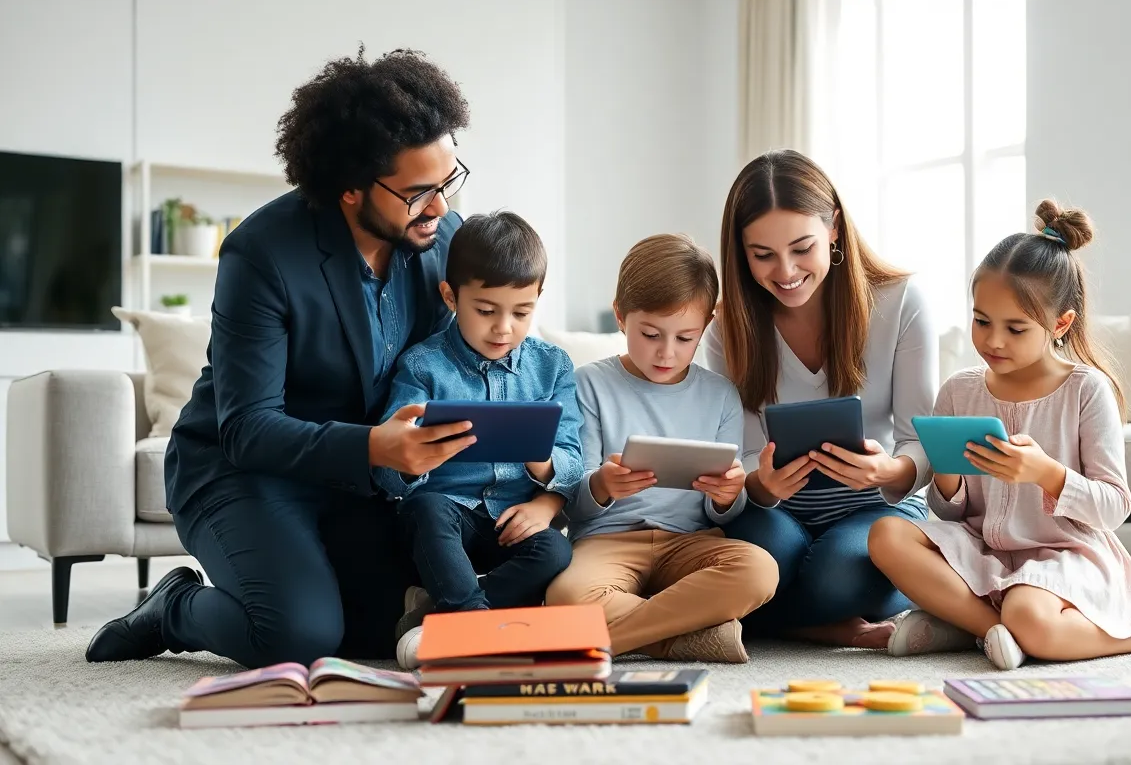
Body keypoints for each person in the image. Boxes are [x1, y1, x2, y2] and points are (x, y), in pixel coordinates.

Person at [86, 48, 476, 668]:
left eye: (449, 181)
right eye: (419, 192)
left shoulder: (443, 242)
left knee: (384, 633)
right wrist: (375, 446)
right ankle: (175, 607)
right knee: (296, 637)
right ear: (350, 189)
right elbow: (245, 428)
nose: (441, 208)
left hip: (357, 481)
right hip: (242, 470)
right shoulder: (262, 254)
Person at [867, 200, 1131, 670]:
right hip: (985, 552)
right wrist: (950, 478)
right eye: (981, 321)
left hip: (1064, 556)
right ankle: (990, 630)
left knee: (1031, 617)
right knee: (886, 534)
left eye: (1015, 328)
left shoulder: (1085, 390)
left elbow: (1114, 506)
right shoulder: (959, 390)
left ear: (1060, 323)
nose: (993, 341)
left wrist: (1048, 474)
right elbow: (949, 509)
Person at [703, 149, 937, 649]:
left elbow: (919, 440)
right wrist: (763, 484)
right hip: (776, 510)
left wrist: (889, 472)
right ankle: (818, 624)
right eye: (762, 255)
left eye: (801, 247)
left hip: (875, 507)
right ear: (740, 252)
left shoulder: (899, 302)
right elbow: (741, 455)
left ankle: (769, 621)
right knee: (760, 558)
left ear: (833, 228)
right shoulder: (728, 326)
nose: (785, 271)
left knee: (840, 575)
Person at [545, 235, 779, 663]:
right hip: (606, 542)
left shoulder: (721, 395)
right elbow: (569, 503)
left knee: (760, 569)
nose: (667, 353)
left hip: (690, 542)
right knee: (567, 595)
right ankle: (684, 637)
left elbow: (725, 506)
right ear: (620, 316)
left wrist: (728, 497)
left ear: (708, 325)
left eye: (685, 338)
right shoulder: (589, 384)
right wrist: (602, 484)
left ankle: (601, 638)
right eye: (651, 334)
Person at [375, 211, 581, 670]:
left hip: (513, 517)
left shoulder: (553, 367)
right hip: (445, 517)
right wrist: (414, 453)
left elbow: (572, 459)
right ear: (451, 297)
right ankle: (475, 625)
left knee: (555, 549)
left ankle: (440, 619)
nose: (503, 328)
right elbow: (388, 471)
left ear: (537, 300)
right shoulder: (423, 365)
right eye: (486, 311)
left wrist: (542, 470)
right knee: (427, 509)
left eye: (522, 312)